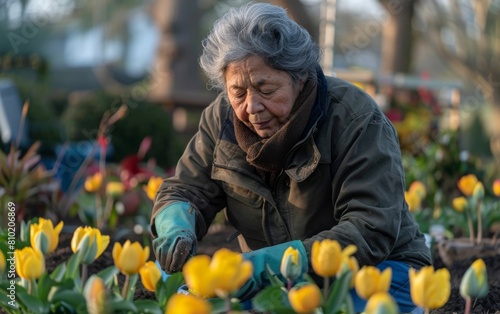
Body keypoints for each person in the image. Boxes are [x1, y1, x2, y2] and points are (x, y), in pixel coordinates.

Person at [150, 2, 431, 313]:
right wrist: (175, 224)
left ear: (300, 77)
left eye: (265, 88)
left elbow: (370, 228)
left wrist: (267, 265)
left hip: (378, 273)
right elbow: (184, 189)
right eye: (238, 92)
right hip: (277, 283)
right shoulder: (221, 120)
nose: (252, 106)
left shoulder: (355, 119)